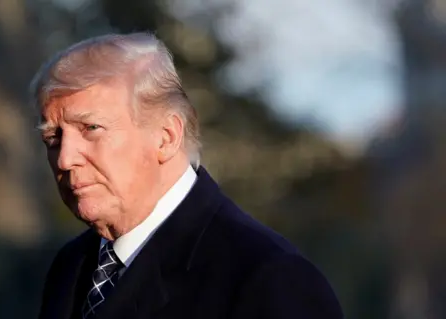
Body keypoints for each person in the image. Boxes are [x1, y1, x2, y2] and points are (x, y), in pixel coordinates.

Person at [32, 32, 343, 319]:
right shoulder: (71, 267)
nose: (65, 158)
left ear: (166, 137)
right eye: (53, 139)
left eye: (91, 129)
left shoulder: (270, 279)